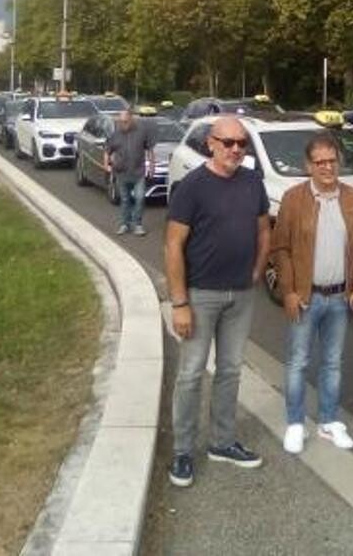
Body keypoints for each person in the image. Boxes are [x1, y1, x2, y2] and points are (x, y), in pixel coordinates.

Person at [165, 116, 271, 487]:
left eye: (242, 143)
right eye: (228, 143)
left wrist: (257, 270)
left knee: (230, 371)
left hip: (240, 295)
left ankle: (222, 443)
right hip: (200, 296)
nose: (236, 150)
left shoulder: (252, 182)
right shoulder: (192, 187)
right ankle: (182, 451)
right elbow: (173, 244)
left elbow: (263, 230)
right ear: (211, 143)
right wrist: (179, 303)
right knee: (191, 374)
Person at [271, 131, 353, 455]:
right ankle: (296, 423)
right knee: (298, 361)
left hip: (340, 298)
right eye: (320, 162)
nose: (327, 167)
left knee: (332, 362)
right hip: (305, 297)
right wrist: (287, 291)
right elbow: (281, 248)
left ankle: (328, 421)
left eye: (332, 161)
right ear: (309, 166)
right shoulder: (293, 199)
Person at [104, 107, 156, 236]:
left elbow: (150, 150)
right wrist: (107, 165)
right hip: (121, 173)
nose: (123, 124)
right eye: (121, 122)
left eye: (125, 121)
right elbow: (107, 151)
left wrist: (151, 166)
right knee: (125, 200)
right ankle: (124, 224)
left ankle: (137, 224)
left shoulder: (142, 132)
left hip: (138, 172)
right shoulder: (115, 134)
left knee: (139, 198)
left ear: (131, 119)